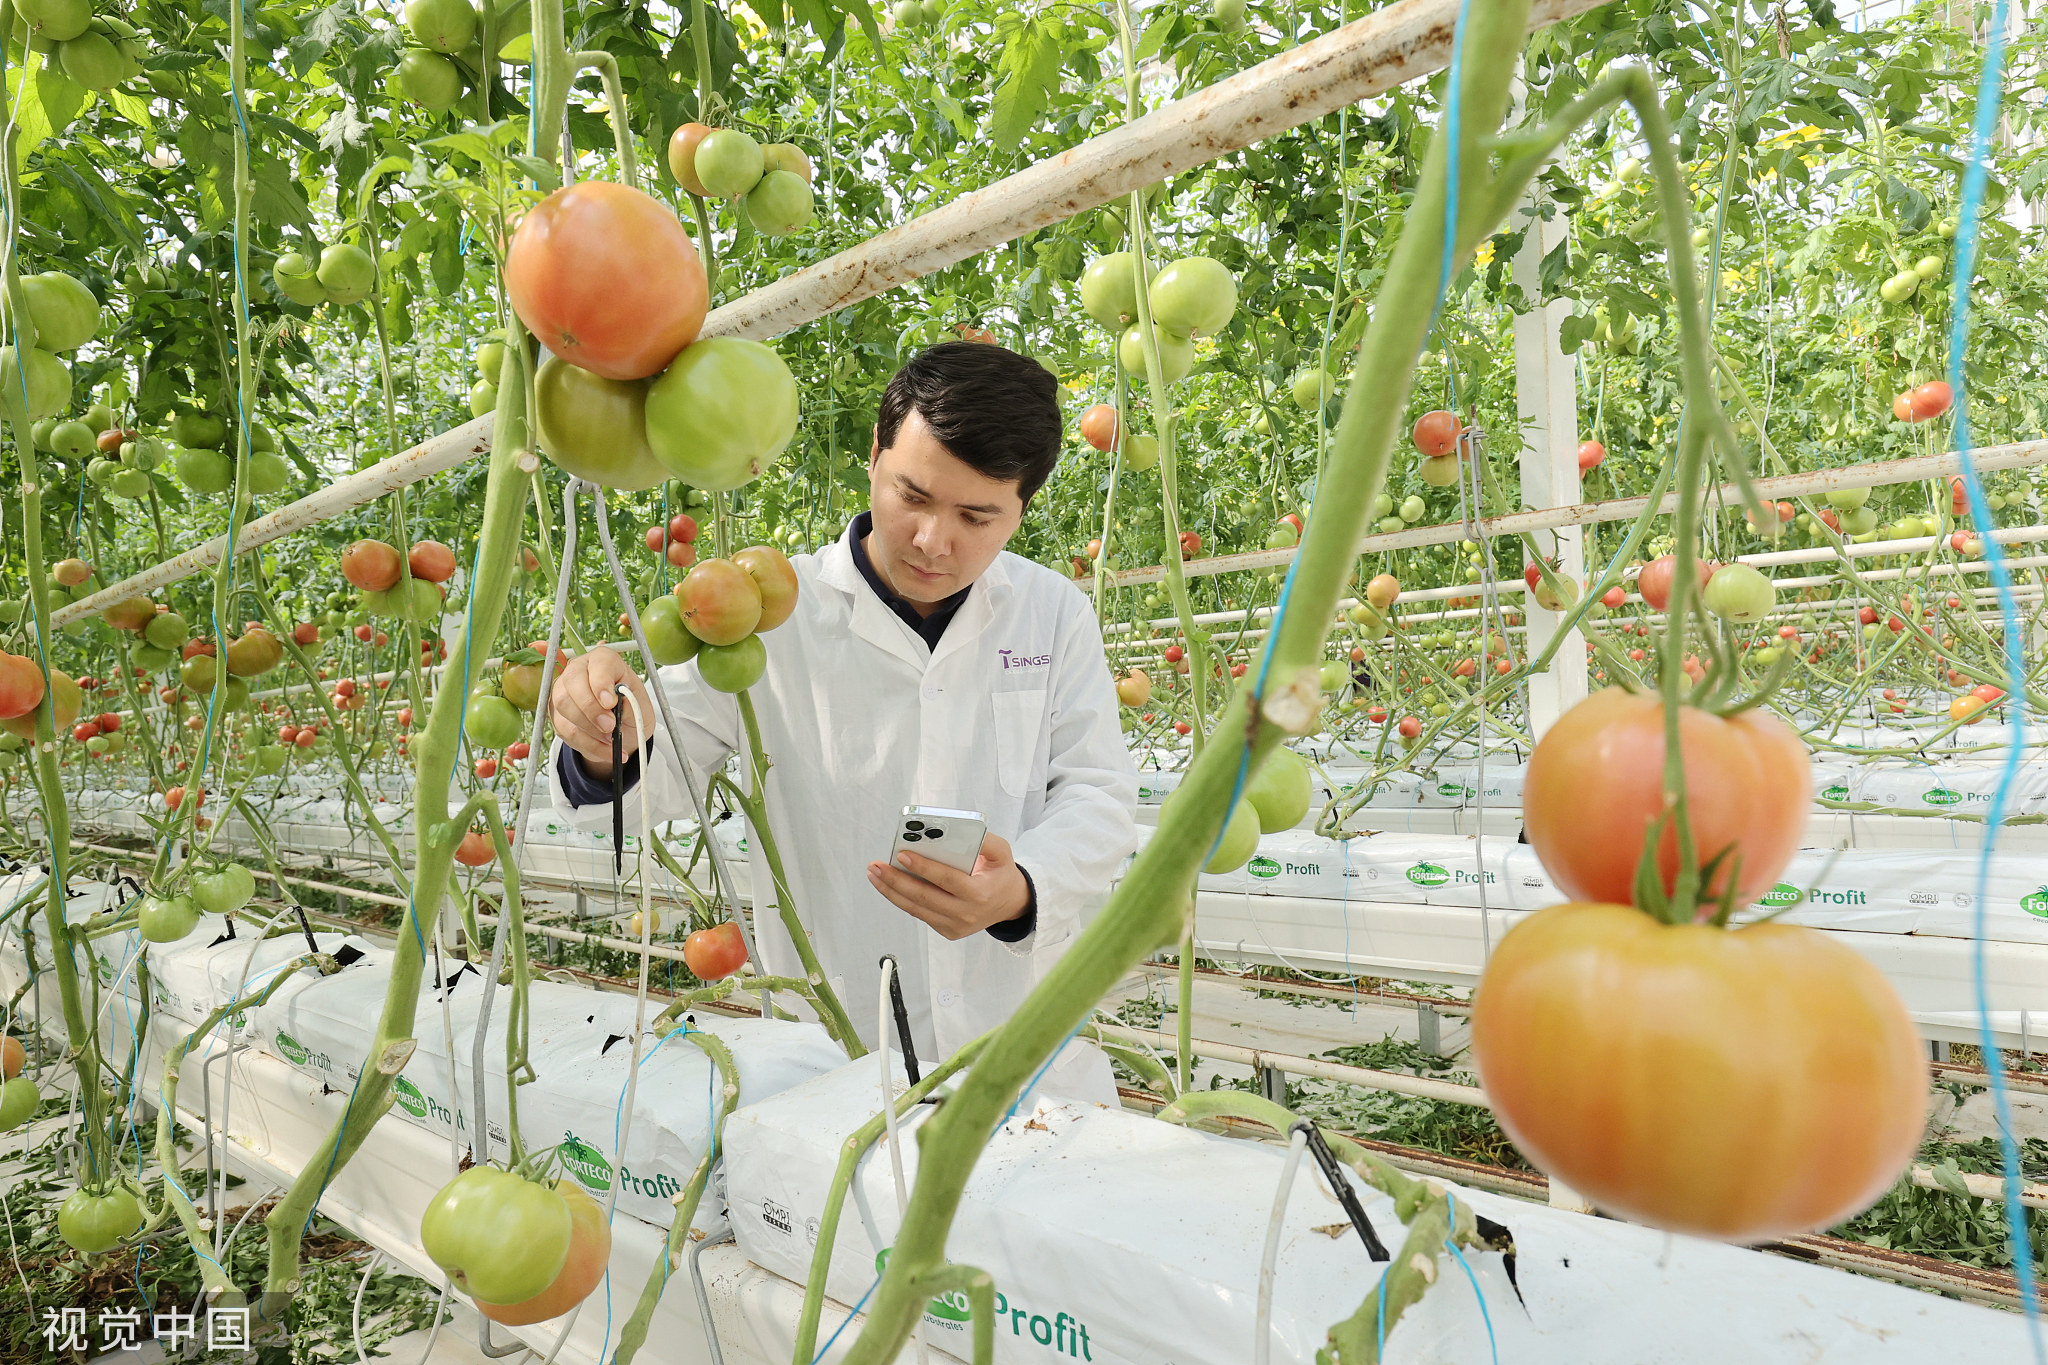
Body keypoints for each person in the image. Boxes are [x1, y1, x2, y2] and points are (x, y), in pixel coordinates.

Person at [545, 342, 1141, 1101]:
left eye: (976, 516)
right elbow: (651, 779)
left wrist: (1022, 888)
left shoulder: (1054, 612)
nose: (933, 540)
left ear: (1022, 507)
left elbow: (1097, 794)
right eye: (913, 496)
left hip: (1021, 1033)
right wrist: (605, 737)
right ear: (874, 456)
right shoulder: (766, 612)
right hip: (833, 1045)